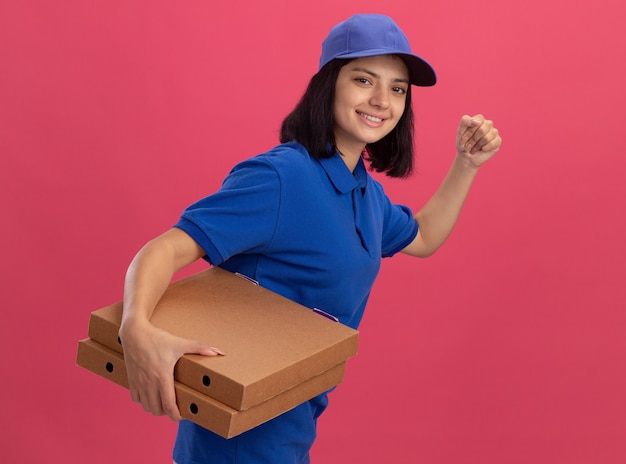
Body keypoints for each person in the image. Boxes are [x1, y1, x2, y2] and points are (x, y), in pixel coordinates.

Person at [119, 13, 501, 464]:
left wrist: (466, 164)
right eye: (364, 80)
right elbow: (167, 247)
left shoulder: (364, 193)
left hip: (292, 429)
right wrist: (135, 328)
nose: (382, 100)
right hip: (237, 443)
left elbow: (423, 236)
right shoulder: (284, 177)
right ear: (328, 85)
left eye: (397, 88)